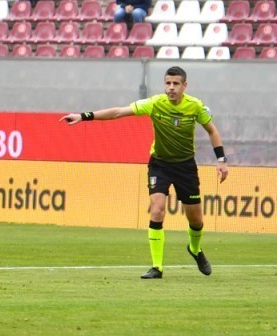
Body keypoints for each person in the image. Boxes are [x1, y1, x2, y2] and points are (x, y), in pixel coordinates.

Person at [62, 66, 228, 280]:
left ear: (184, 86)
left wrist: (221, 160)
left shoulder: (195, 106)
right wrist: (85, 116)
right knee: (157, 209)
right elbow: (119, 112)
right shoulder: (155, 103)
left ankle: (195, 249)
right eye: (168, 83)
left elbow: (212, 130)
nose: (171, 88)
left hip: (185, 166)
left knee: (195, 220)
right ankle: (156, 267)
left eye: (176, 84)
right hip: (159, 164)